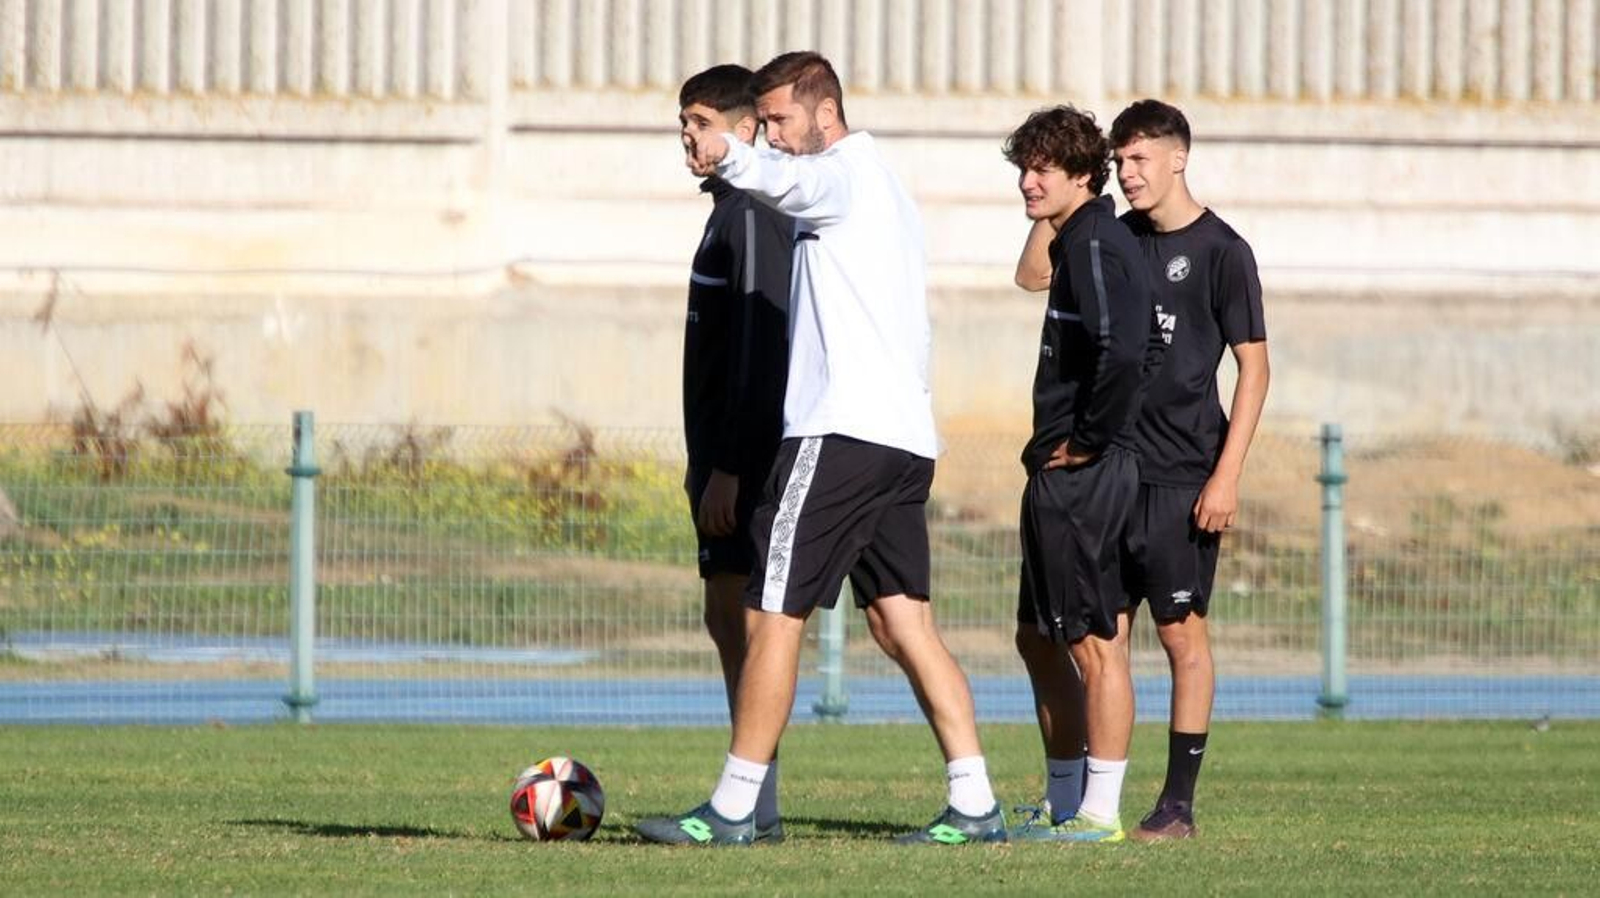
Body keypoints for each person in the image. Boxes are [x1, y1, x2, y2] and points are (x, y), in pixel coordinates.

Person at [637, 51, 1004, 847]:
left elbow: (794, 185)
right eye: (759, 122)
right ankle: (975, 801)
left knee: (771, 613)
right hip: (903, 441)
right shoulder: (887, 190)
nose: (770, 135)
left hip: (841, 434)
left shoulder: (839, 175)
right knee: (902, 625)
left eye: (776, 121)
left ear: (824, 116)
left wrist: (731, 153)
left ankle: (736, 808)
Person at [1014, 99, 1271, 841]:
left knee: (1182, 634)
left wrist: (1226, 476)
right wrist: (1059, 190)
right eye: (1118, 162)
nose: (1128, 175)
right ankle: (1093, 805)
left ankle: (1178, 802)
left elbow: (1254, 369)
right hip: (1114, 469)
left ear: (1178, 158)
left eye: (1138, 161)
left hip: (1184, 471)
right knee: (1104, 637)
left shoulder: (1223, 250)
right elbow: (1034, 275)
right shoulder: (1109, 234)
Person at [1002, 105, 1164, 844]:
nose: (1027, 183)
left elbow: (1122, 350)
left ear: (1081, 175)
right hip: (1057, 471)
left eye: (1043, 170)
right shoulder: (1074, 240)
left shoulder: (1098, 242)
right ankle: (1063, 800)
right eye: (1023, 168)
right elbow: (1026, 274)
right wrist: (1052, 206)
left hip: (1085, 473)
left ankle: (1098, 813)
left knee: (1096, 641)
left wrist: (1091, 440)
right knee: (1039, 636)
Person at [676, 63, 794, 843]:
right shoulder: (726, 213)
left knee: (753, 618)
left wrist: (727, 464)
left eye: (699, 123)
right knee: (726, 614)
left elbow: (759, 348)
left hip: (743, 462)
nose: (687, 140)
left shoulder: (752, 212)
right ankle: (753, 795)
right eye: (681, 127)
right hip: (714, 455)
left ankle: (753, 801)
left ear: (744, 128)